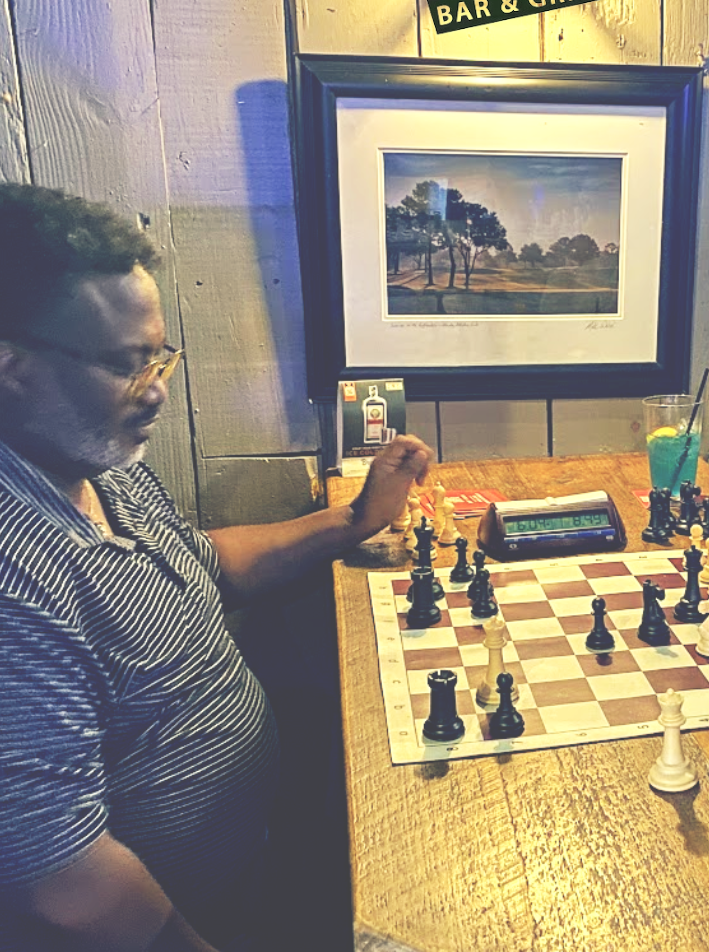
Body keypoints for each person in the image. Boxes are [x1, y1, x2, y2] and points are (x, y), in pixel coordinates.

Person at [0, 184, 435, 950]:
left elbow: (205, 566)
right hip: (197, 921)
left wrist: (354, 519)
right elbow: (62, 884)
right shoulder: (15, 581)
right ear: (12, 365)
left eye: (160, 355)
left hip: (268, 850)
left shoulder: (94, 455)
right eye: (129, 364)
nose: (159, 388)